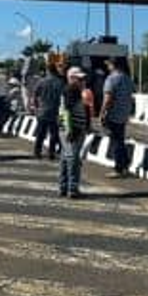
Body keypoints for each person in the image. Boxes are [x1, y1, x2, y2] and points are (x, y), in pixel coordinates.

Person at [100, 57, 136, 178]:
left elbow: (108, 98)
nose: (107, 67)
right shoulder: (128, 79)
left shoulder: (111, 79)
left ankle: (119, 168)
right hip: (123, 113)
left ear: (113, 65)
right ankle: (125, 164)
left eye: (108, 64)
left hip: (113, 113)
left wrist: (102, 112)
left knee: (115, 141)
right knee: (120, 139)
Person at [59, 67, 90, 198]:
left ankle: (64, 186)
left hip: (72, 127)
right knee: (73, 159)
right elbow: (67, 110)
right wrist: (69, 129)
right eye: (80, 79)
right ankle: (72, 188)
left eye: (83, 79)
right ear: (72, 78)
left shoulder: (75, 91)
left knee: (66, 157)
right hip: (73, 128)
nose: (83, 81)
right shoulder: (71, 90)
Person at [33, 62, 65, 160]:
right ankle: (51, 152)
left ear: (47, 70)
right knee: (54, 134)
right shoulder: (60, 82)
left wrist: (36, 107)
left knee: (41, 133)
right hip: (55, 111)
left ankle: (37, 152)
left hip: (42, 111)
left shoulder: (41, 82)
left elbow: (35, 95)